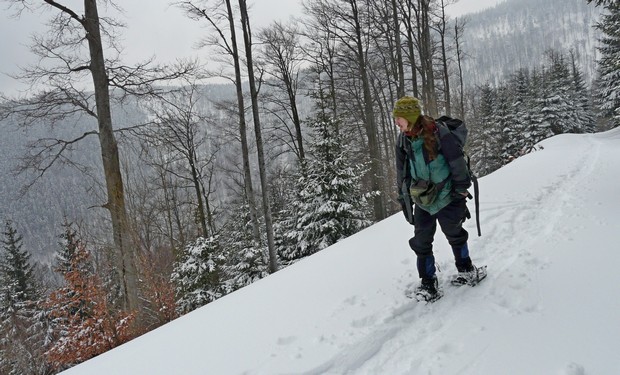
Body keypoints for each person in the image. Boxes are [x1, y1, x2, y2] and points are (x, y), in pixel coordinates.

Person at [393, 96, 479, 302]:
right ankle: (428, 282)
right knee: (421, 240)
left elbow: (456, 161)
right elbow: (401, 172)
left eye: (400, 120)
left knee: (455, 232)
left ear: (411, 118)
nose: (398, 124)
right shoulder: (403, 140)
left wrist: (461, 189)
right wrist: (404, 197)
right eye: (396, 120)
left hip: (449, 195)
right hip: (423, 199)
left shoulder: (439, 132)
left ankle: (466, 269)